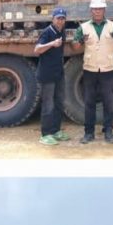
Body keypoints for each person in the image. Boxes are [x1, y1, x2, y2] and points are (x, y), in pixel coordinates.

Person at [73, 0, 113, 143]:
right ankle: (88, 133)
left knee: (108, 102)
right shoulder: (83, 27)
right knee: (89, 102)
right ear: (91, 10)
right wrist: (79, 40)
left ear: (104, 10)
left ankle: (108, 131)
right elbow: (75, 46)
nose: (97, 11)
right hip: (90, 69)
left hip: (107, 69)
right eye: (95, 9)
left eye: (100, 9)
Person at [35, 8, 69, 145]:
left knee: (59, 102)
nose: (60, 21)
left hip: (58, 73)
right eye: (58, 18)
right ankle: (45, 134)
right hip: (47, 74)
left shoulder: (62, 32)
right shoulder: (47, 32)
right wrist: (52, 44)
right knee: (48, 105)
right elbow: (37, 50)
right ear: (53, 19)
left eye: (62, 18)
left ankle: (56, 131)